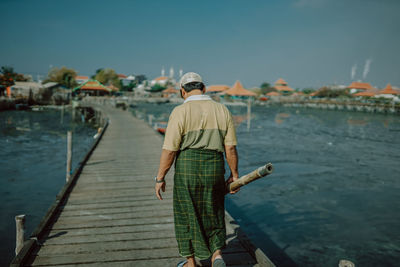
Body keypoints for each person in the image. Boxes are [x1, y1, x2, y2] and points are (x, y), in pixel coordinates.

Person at [155, 72, 240, 267]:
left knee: (186, 213)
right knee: (214, 209)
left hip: (187, 166)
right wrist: (234, 175)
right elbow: (230, 148)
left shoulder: (179, 112)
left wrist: (160, 178)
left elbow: (170, 150)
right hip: (214, 166)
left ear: (182, 91)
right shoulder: (222, 110)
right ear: (204, 88)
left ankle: (191, 263)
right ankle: (217, 254)